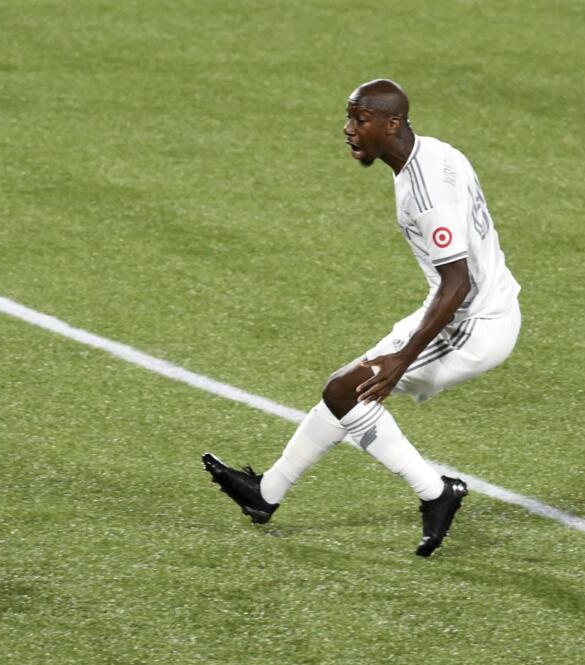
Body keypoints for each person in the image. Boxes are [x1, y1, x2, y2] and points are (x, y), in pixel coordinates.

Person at [203, 79, 521, 556]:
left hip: (473, 323)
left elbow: (459, 285)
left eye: (359, 120)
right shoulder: (436, 153)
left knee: (348, 391)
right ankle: (265, 494)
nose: (348, 129)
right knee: (343, 391)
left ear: (391, 124)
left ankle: (436, 493)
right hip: (460, 308)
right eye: (349, 117)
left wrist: (401, 359)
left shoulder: (427, 194)